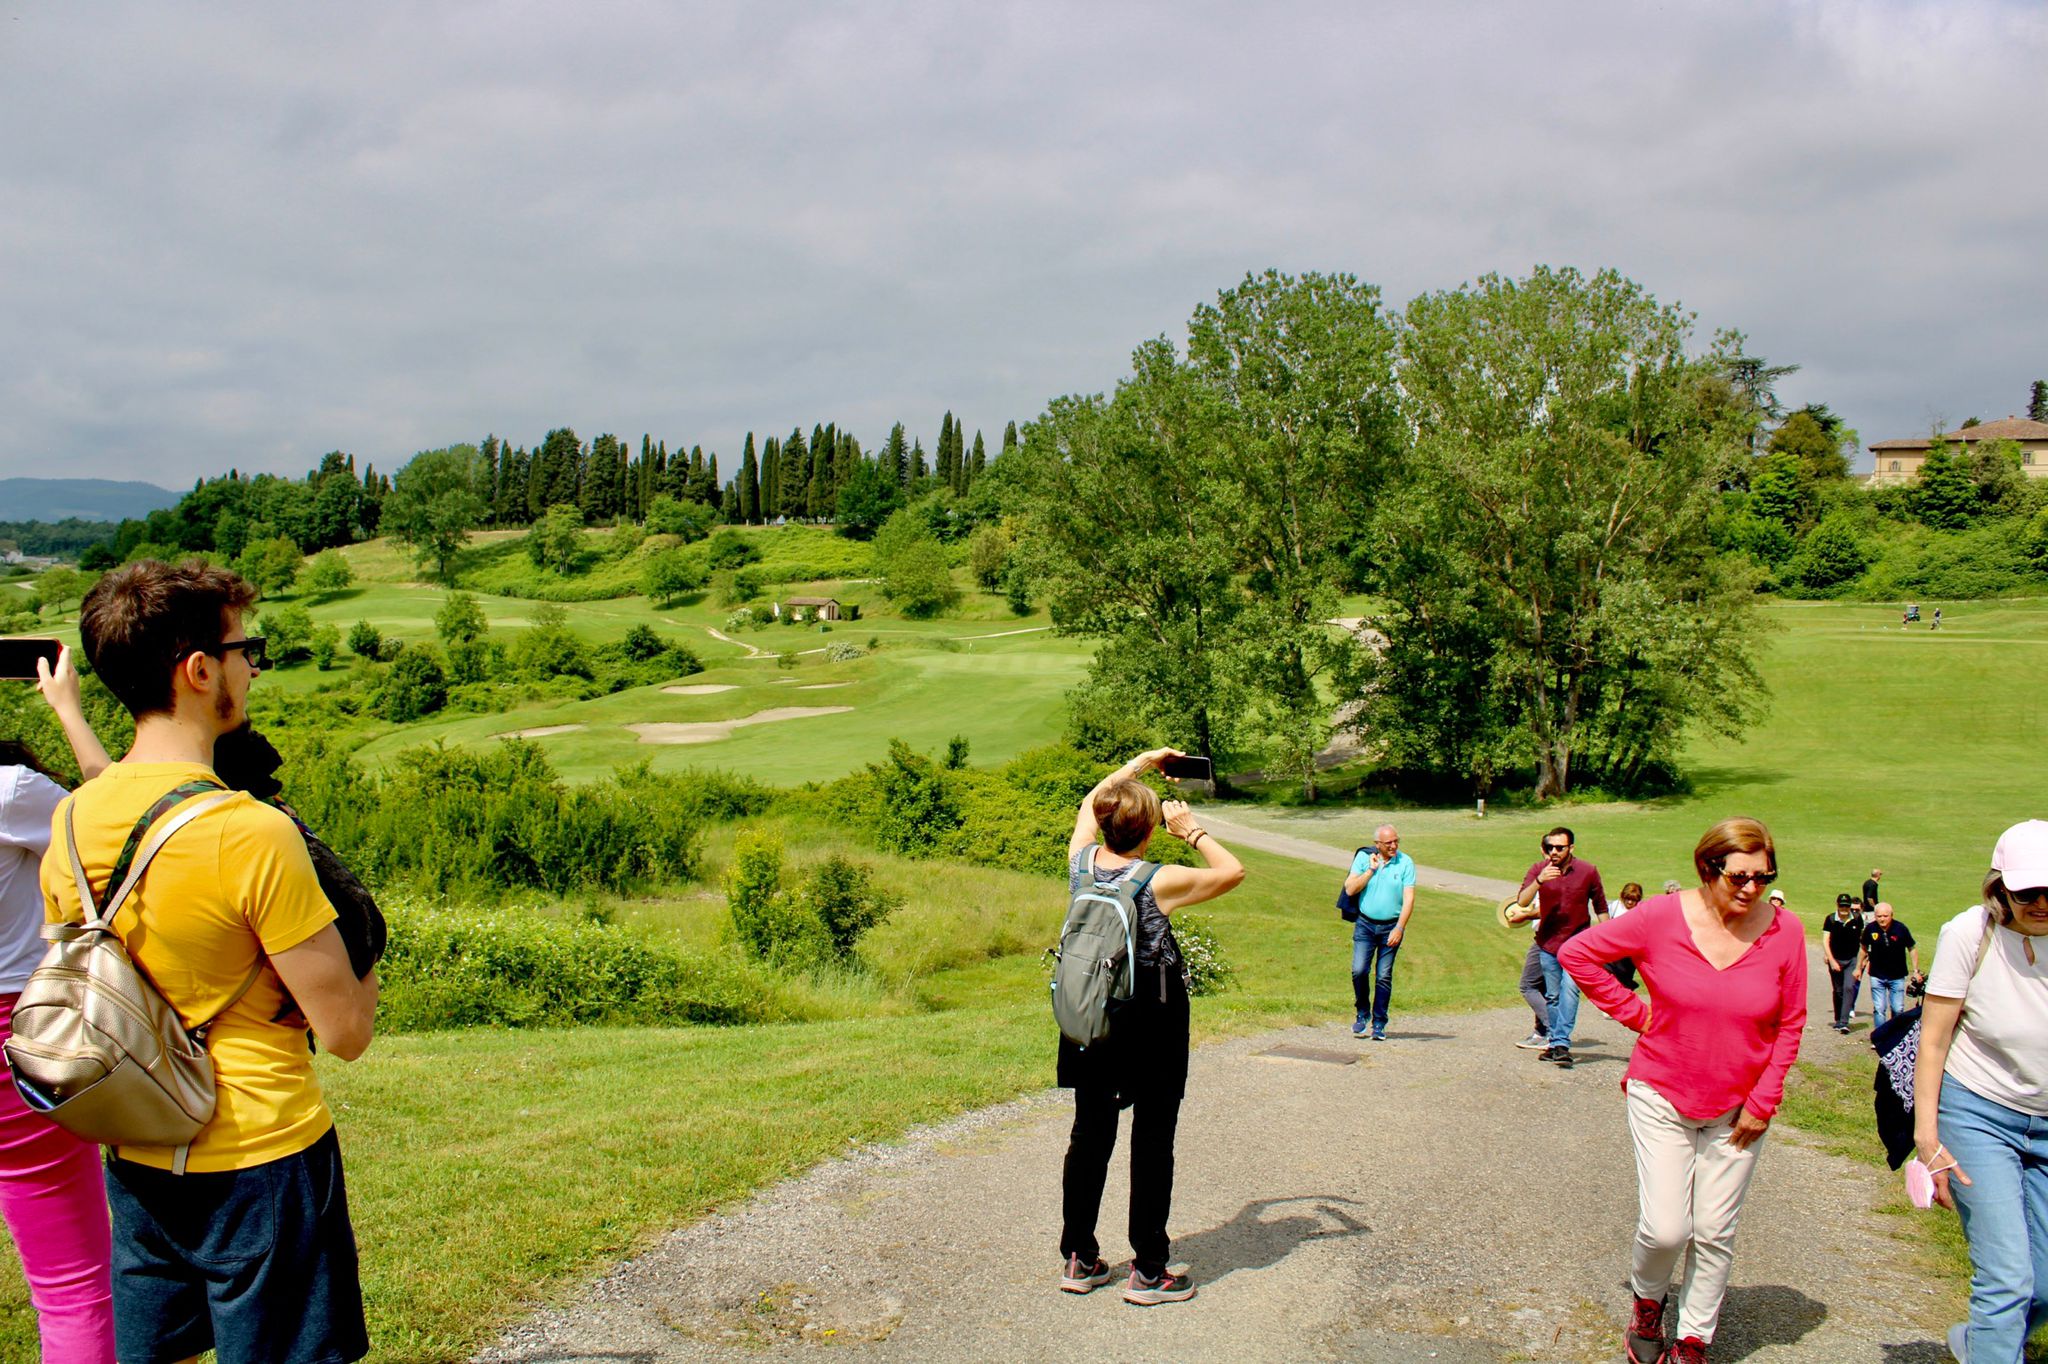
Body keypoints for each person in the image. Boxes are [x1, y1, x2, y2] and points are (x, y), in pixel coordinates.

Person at [40, 560, 380, 1364]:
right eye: (245, 650)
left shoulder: (72, 816)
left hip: (138, 1143)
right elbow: (346, 1031)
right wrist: (365, 934)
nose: (252, 668)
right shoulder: (250, 832)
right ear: (200, 671)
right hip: (261, 1152)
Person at [1562, 817, 1806, 1364]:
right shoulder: (1659, 917)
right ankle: (1648, 1301)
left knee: (1716, 1230)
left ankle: (1695, 1338)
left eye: (1764, 877)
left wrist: (1763, 1102)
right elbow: (1579, 954)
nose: (1751, 889)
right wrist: (1636, 1014)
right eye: (1739, 876)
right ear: (1708, 867)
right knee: (1668, 1227)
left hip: (1740, 1105)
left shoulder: (1784, 930)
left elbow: (1791, 1023)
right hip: (1662, 1091)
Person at [1059, 748, 1244, 1307]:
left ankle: (1080, 1257)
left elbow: (1091, 802)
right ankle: (1149, 1270)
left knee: (1090, 1136)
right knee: (1152, 1140)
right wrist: (1192, 829)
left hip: (1089, 1016)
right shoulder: (1156, 880)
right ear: (1147, 832)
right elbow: (1232, 871)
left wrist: (1138, 764)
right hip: (1152, 1025)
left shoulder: (1080, 863)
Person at [2, 722, 117, 1359]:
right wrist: (70, 712)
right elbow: (113, 821)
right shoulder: (10, 791)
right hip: (15, 1034)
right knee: (72, 1281)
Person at [1913, 820, 2048, 1364]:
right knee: (2008, 1277)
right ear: (2000, 887)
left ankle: (1978, 1343)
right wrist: (1929, 1139)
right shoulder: (1970, 933)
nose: (2041, 903)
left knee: (2042, 1286)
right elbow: (1934, 1040)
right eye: (2026, 892)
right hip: (1979, 1114)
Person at [1511, 826, 1607, 1068]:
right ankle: (1555, 1044)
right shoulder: (1538, 869)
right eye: (1550, 847)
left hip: (1578, 944)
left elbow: (1601, 906)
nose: (1553, 852)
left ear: (1571, 848)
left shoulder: (1588, 871)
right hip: (1548, 943)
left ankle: (1561, 1043)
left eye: (1559, 847)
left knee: (1569, 992)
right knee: (1552, 996)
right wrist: (1539, 881)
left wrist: (1607, 940)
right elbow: (1522, 901)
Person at [1344, 824, 1415, 1041]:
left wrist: (1400, 928)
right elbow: (1350, 889)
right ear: (1377, 844)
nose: (1394, 846)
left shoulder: (1406, 862)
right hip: (1365, 925)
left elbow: (1409, 898)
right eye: (1388, 843)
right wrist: (1370, 870)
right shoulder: (1364, 859)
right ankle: (1362, 1013)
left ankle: (1379, 1023)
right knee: (1359, 970)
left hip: (1390, 927)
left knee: (1383, 975)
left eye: (1396, 841)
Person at [1860, 902, 1920, 1029]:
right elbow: (1863, 948)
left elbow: (1912, 948)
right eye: (1879, 916)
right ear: (1875, 916)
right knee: (1879, 1008)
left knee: (1897, 1008)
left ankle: (1894, 1037)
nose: (1882, 919)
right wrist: (1858, 967)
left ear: (1891, 915)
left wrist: (1915, 970)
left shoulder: (1900, 929)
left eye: (1885, 916)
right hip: (1877, 975)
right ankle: (1880, 1038)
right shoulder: (1870, 929)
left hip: (1897, 976)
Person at [1823, 894, 1866, 1033]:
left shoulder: (1857, 919)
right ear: (1837, 905)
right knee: (1838, 990)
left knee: (1848, 987)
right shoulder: (1830, 919)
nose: (1844, 909)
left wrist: (1862, 961)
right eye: (1841, 905)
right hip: (1835, 959)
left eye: (1846, 906)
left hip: (1852, 959)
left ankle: (1844, 1022)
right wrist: (1831, 960)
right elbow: (1825, 941)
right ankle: (1838, 1019)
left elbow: (1862, 941)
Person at [1604, 882, 1644, 990]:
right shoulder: (1615, 906)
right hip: (1612, 950)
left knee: (1623, 984)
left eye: (1633, 900)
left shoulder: (1641, 911)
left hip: (1629, 954)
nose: (1630, 902)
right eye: (1627, 899)